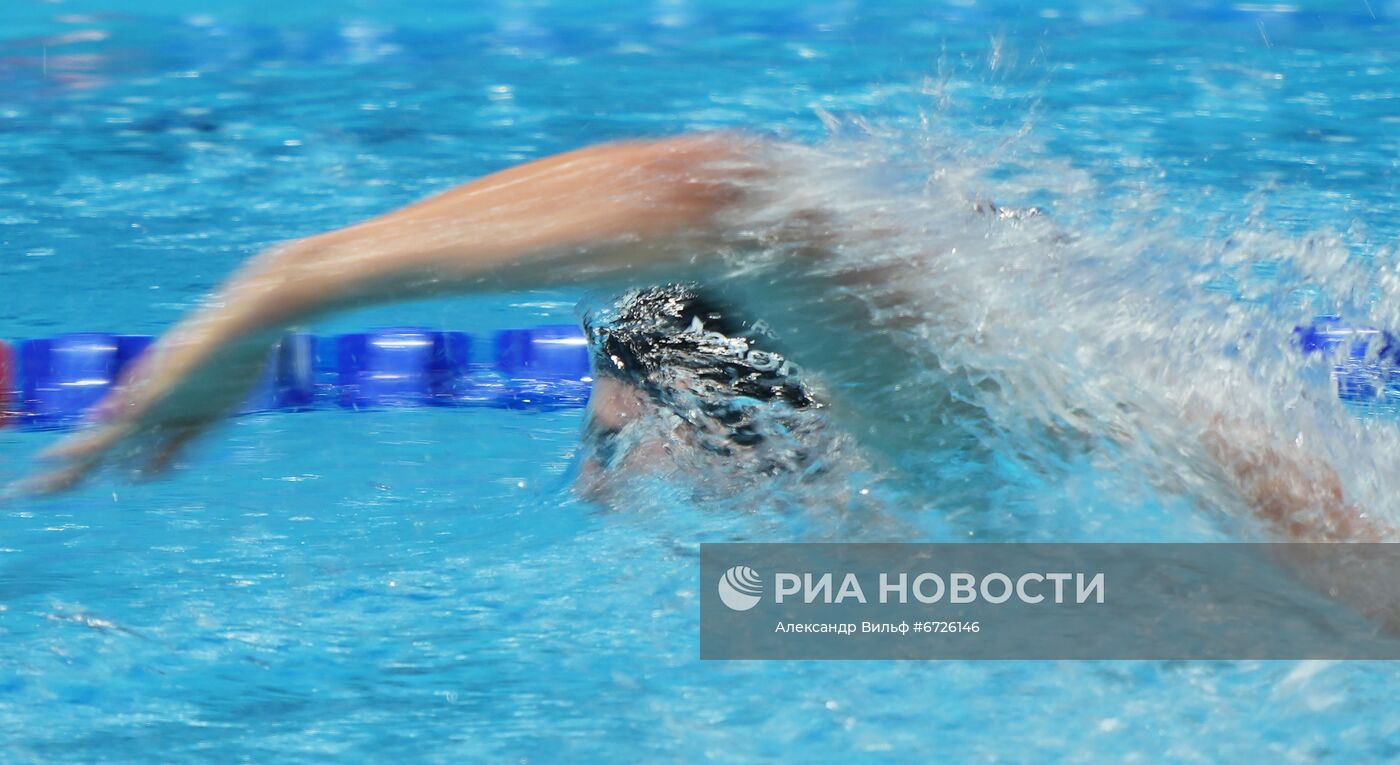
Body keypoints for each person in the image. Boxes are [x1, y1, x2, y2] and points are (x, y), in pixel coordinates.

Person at [20, 133, 1395, 545]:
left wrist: (284, 284)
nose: (599, 485)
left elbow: (730, 202)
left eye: (620, 440)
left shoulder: (944, 456)